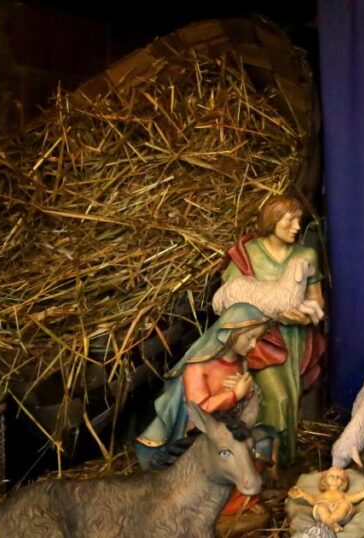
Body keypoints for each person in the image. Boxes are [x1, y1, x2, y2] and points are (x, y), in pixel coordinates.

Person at [135, 303, 269, 515]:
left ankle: (242, 501)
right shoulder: (198, 367)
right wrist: (234, 395)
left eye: (257, 338)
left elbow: (247, 402)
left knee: (262, 444)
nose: (253, 345)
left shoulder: (241, 362)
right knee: (228, 453)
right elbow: (199, 408)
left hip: (232, 428)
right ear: (230, 333)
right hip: (202, 433)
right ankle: (220, 506)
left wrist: (249, 392)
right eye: (249, 337)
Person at [222, 194, 325, 464]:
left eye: (299, 221)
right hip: (258, 340)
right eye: (290, 221)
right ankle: (262, 460)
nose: (296, 227)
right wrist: (273, 313)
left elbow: (316, 300)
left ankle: (284, 460)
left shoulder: (306, 255)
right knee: (275, 398)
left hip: (294, 340)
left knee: (290, 399)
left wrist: (303, 317)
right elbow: (232, 299)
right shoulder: (248, 253)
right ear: (273, 220)